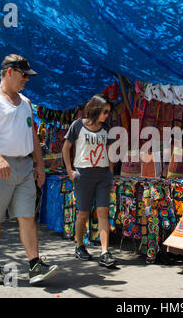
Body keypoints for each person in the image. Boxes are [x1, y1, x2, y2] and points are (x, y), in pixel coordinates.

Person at [0, 54, 59, 285]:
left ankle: (35, 265)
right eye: (24, 75)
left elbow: (32, 136)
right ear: (9, 72)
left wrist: (40, 165)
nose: (26, 80)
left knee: (27, 216)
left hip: (23, 167)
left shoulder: (26, 103)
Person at [62, 94, 117, 268]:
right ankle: (79, 246)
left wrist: (110, 170)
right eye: (105, 111)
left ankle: (104, 252)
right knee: (83, 214)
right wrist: (70, 170)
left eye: (108, 112)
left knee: (103, 212)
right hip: (83, 175)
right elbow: (66, 148)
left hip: (102, 176)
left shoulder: (106, 128)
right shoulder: (77, 125)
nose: (107, 115)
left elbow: (109, 150)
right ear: (96, 109)